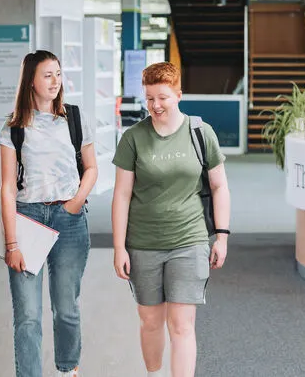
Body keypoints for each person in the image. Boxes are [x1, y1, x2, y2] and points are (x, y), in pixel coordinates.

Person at [111, 62, 232, 377]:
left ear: (179, 94)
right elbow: (121, 195)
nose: (155, 105)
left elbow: (219, 186)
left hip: (189, 240)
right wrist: (118, 247)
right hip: (143, 243)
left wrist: (221, 236)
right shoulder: (133, 138)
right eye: (150, 98)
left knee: (182, 325)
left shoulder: (200, 133)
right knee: (150, 321)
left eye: (162, 97)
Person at [0, 50, 97, 377]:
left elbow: (92, 169)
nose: (55, 81)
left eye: (58, 74)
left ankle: (68, 369)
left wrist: (75, 202)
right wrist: (11, 245)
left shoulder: (75, 117)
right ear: (31, 81)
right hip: (27, 219)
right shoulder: (13, 127)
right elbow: (8, 188)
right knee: (27, 315)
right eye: (47, 75)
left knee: (66, 309)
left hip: (70, 220)